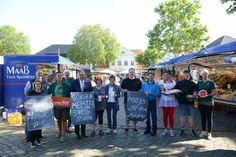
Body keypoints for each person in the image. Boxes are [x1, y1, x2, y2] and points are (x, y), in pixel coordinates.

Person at [48, 72, 70, 142]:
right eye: (58, 76)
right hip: (56, 105)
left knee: (64, 119)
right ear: (55, 77)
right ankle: (60, 132)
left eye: (60, 76)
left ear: (62, 77)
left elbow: (69, 95)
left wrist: (68, 103)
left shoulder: (66, 85)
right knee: (58, 119)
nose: (59, 77)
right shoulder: (52, 85)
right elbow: (48, 94)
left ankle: (63, 134)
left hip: (64, 105)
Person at [71, 70, 93, 139]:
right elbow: (71, 91)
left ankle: (83, 133)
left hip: (85, 104)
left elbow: (91, 91)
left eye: (83, 75)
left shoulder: (88, 82)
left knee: (84, 117)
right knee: (77, 118)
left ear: (85, 75)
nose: (82, 76)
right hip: (76, 104)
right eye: (80, 75)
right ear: (78, 75)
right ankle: (77, 133)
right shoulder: (74, 82)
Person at [175, 70, 197, 137]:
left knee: (191, 117)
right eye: (185, 74)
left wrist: (193, 96)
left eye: (188, 74)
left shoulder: (193, 83)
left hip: (190, 102)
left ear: (189, 75)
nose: (187, 75)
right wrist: (178, 99)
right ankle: (182, 130)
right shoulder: (179, 83)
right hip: (182, 102)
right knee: (182, 117)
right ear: (183, 75)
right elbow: (175, 91)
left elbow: (195, 91)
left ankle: (192, 130)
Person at [120, 68, 142, 134]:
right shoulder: (124, 80)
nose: (131, 73)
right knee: (127, 114)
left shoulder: (138, 81)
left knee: (135, 114)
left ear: (134, 73)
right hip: (127, 100)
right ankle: (127, 127)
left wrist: (139, 92)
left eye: (132, 72)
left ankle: (134, 127)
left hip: (135, 101)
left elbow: (140, 89)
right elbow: (121, 88)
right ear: (128, 72)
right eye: (130, 72)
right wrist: (124, 90)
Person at [197, 69, 216, 140]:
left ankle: (209, 133)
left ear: (208, 75)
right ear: (201, 75)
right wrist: (195, 93)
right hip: (201, 102)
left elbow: (214, 92)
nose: (204, 75)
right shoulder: (199, 82)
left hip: (209, 103)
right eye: (203, 74)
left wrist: (207, 95)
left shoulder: (211, 82)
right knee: (202, 117)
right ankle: (203, 131)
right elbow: (196, 90)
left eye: (206, 74)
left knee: (209, 117)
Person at [159, 72, 179, 137]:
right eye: (164, 75)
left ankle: (171, 129)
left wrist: (173, 91)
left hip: (172, 100)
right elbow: (162, 90)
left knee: (171, 116)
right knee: (165, 115)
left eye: (167, 75)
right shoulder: (162, 81)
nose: (166, 76)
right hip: (164, 100)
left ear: (169, 76)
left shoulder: (173, 82)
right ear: (163, 76)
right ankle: (165, 129)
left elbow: (175, 89)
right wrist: (165, 92)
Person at [27, 80, 44, 149]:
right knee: (33, 127)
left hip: (41, 112)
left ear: (41, 85)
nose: (38, 85)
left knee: (39, 127)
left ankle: (38, 139)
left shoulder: (43, 93)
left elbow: (45, 101)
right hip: (33, 112)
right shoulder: (31, 92)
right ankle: (32, 141)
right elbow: (28, 102)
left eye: (39, 84)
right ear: (34, 85)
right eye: (36, 84)